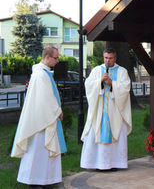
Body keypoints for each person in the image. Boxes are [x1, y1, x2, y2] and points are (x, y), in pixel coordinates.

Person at [11, 46, 67, 187]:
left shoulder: (44, 73)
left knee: (43, 153)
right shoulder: (40, 74)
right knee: (38, 152)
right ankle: (35, 181)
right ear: (47, 57)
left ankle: (46, 179)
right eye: (56, 58)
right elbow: (44, 98)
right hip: (41, 121)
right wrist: (57, 110)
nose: (57, 60)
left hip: (45, 117)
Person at [80, 48, 132, 170]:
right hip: (99, 109)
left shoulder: (122, 71)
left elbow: (125, 88)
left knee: (116, 133)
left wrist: (112, 83)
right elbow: (88, 85)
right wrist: (100, 81)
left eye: (110, 58)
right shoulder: (97, 70)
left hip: (115, 110)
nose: (108, 60)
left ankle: (114, 163)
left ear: (115, 58)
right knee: (95, 133)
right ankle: (96, 163)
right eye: (106, 58)